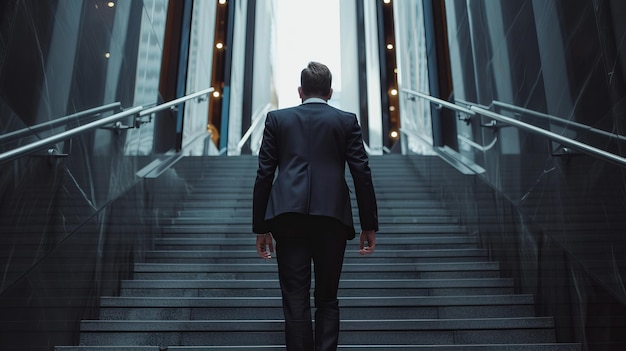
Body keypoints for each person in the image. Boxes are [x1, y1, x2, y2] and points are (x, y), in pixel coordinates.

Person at [253, 61, 378, 351]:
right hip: (332, 217)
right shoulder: (346, 121)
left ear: (300, 91)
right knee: (327, 298)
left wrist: (261, 227)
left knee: (295, 297)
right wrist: (368, 224)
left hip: (287, 217)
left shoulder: (277, 119)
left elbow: (264, 174)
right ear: (330, 92)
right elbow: (362, 173)